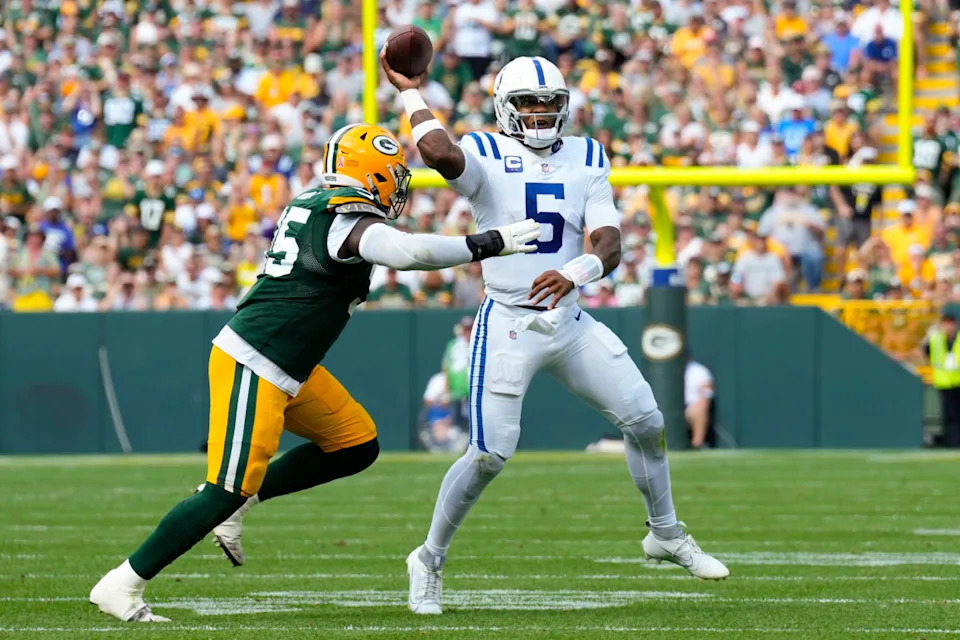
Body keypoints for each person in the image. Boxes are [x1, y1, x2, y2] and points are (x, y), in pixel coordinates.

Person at [88, 123, 541, 623]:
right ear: (368, 172)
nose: (398, 187)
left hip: (290, 365)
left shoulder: (319, 204)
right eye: (392, 176)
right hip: (256, 358)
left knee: (354, 444)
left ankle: (242, 499)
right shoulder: (344, 216)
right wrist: (491, 242)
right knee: (223, 489)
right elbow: (409, 253)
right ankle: (123, 584)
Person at [379, 50, 728, 616]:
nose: (540, 113)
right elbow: (439, 152)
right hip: (509, 321)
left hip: (567, 318)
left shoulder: (588, 154)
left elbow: (609, 245)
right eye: (528, 103)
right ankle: (429, 558)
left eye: (549, 103)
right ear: (504, 108)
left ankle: (665, 532)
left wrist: (572, 272)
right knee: (490, 455)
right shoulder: (487, 151)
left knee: (647, 419)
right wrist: (410, 91)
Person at [924, 313, 960, 447]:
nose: (949, 327)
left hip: (958, 381)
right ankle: (952, 443)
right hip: (944, 382)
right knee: (949, 415)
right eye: (946, 323)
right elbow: (925, 352)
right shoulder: (936, 339)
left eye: (951, 323)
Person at [685, 358, 715, 449]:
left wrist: (704, 401)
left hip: (690, 408)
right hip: (667, 409)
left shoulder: (698, 371)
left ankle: (697, 445)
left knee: (699, 408)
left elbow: (707, 391)